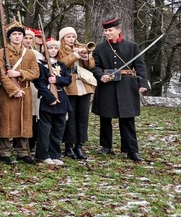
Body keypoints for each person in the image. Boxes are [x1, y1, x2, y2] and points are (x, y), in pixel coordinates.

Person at [91, 17, 149, 162]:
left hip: (126, 86)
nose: (107, 33)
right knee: (105, 117)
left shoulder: (132, 46)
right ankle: (105, 145)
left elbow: (140, 66)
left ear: (118, 30)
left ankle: (131, 149)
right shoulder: (100, 48)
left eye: (110, 30)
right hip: (107, 86)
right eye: (105, 31)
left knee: (127, 118)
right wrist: (100, 76)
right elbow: (94, 66)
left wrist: (142, 83)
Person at [0, 21, 40, 164]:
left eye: (20, 34)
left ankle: (23, 152)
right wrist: (13, 90)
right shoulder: (2, 52)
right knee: (5, 121)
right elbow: (1, 74)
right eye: (14, 34)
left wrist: (18, 73)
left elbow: (35, 72)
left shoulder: (30, 53)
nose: (17, 37)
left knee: (24, 122)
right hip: (8, 92)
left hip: (25, 90)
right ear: (9, 36)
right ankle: (4, 152)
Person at [58, 26, 96, 160]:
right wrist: (75, 55)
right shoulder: (59, 49)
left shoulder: (80, 47)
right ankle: (69, 145)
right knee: (71, 118)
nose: (71, 39)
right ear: (63, 38)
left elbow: (91, 66)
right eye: (68, 37)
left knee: (83, 117)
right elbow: (61, 64)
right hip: (69, 86)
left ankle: (79, 145)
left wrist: (86, 56)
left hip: (84, 86)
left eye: (73, 36)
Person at [33, 38, 71, 165]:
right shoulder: (40, 65)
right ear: (45, 50)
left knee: (58, 128)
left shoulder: (61, 65)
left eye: (55, 48)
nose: (53, 50)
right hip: (48, 99)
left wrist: (57, 80)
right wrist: (50, 98)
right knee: (45, 129)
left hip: (61, 98)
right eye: (50, 48)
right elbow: (39, 83)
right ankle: (43, 154)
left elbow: (68, 80)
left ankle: (55, 154)